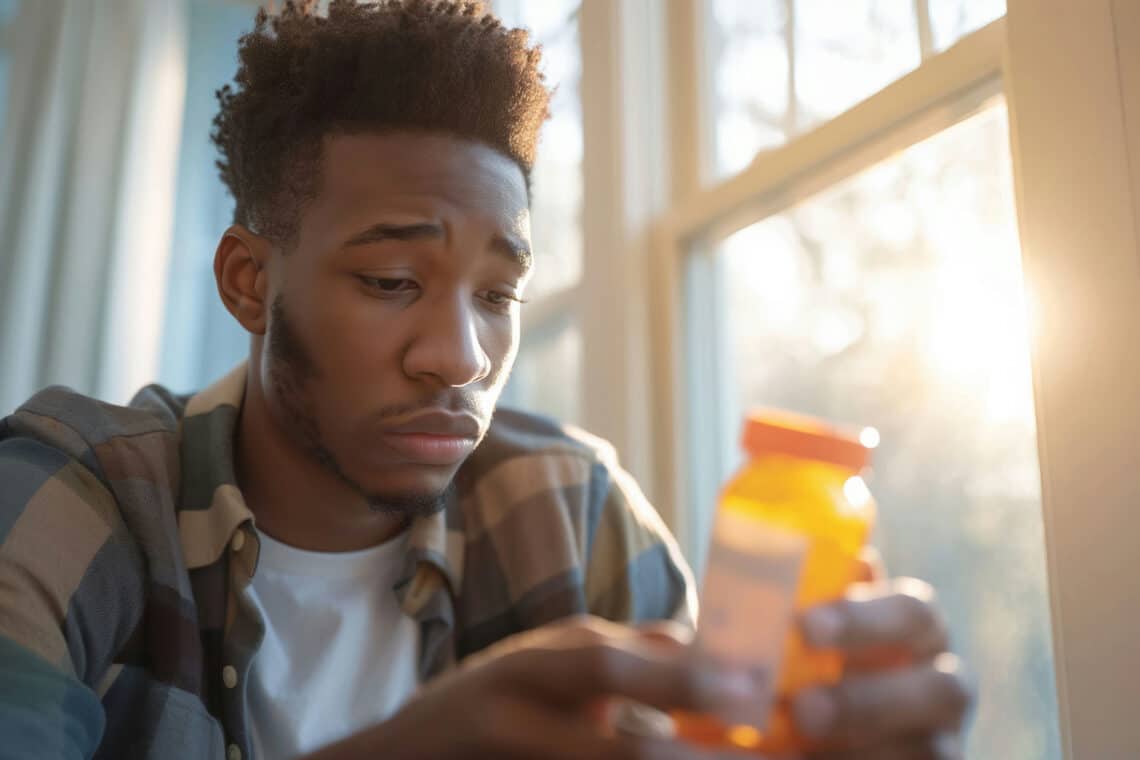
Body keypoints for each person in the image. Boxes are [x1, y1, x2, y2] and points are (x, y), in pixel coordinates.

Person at [0, 1, 972, 758]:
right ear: (250, 282)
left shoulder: (572, 509)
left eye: (499, 294)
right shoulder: (72, 494)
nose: (460, 357)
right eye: (391, 282)